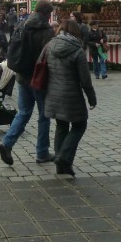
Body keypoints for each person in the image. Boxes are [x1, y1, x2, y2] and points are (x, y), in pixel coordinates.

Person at [0, 0, 56, 166]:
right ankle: (42, 152)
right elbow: (48, 55)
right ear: (46, 14)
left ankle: (7, 143)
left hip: (22, 75)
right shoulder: (46, 30)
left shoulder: (22, 24)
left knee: (23, 112)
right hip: (38, 78)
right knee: (44, 115)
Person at [44, 19, 97, 177]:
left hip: (53, 92)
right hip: (71, 94)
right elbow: (85, 79)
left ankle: (61, 165)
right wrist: (92, 98)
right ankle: (63, 158)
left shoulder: (50, 45)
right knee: (80, 125)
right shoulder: (77, 50)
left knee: (61, 126)